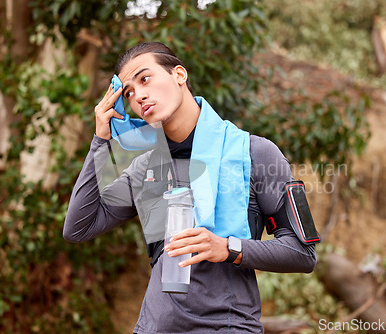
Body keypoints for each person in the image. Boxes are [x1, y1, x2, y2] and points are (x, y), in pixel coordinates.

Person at [63, 42, 317, 333]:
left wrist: (228, 248)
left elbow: (303, 253)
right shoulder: (146, 168)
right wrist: (101, 141)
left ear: (179, 75)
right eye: (129, 93)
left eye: (145, 79)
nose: (139, 95)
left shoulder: (256, 154)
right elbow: (78, 227)